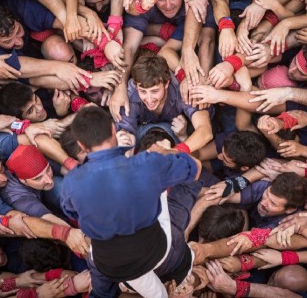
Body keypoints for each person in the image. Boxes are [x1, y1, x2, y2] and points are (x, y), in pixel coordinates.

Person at [61, 105, 202, 297]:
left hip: (106, 261)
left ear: (81, 145)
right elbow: (196, 168)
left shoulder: (71, 181)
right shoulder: (146, 163)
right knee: (172, 184)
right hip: (154, 252)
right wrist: (164, 153)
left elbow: (72, 212)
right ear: (113, 129)